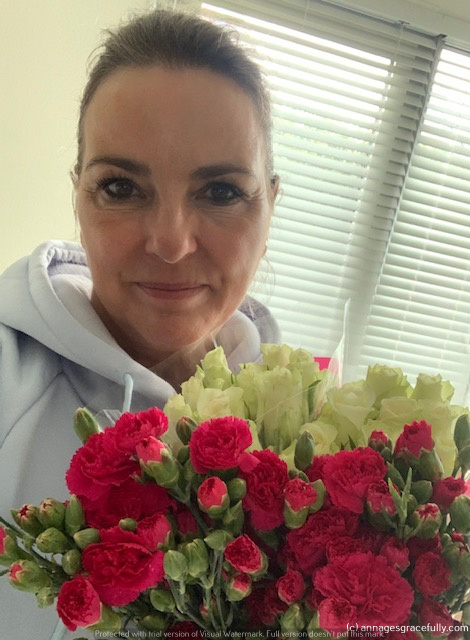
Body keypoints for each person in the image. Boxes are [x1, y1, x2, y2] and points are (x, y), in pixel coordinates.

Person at [0, 9, 280, 639]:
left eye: (221, 191)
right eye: (122, 187)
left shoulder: (304, 435)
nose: (171, 243)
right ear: (78, 195)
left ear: (271, 207)